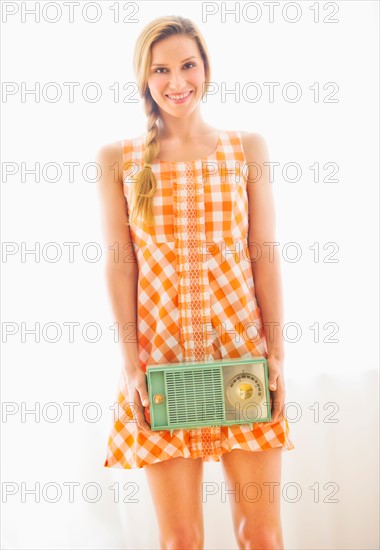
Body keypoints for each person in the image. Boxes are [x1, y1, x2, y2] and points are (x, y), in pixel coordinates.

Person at [97, 15, 295, 550]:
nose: (176, 81)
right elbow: (120, 265)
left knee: (261, 535)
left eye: (187, 65)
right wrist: (132, 362)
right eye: (161, 69)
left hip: (241, 356)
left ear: (206, 68)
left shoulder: (245, 147)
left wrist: (275, 353)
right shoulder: (117, 159)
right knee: (180, 539)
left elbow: (264, 255)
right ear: (144, 77)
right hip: (161, 361)